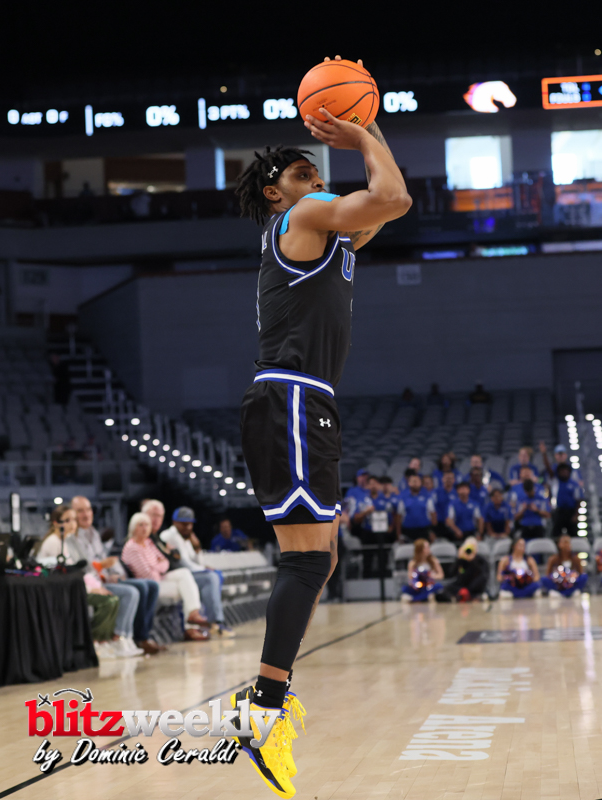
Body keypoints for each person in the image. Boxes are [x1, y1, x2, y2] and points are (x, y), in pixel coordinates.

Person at [234, 52, 412, 797]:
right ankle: (262, 707)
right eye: (303, 172)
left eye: (317, 170)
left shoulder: (330, 233)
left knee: (317, 560)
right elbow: (394, 196)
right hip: (293, 400)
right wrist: (362, 131)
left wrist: (367, 126)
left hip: (299, 403)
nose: (317, 178)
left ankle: (268, 695)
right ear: (275, 192)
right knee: (309, 563)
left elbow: (385, 205)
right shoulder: (301, 216)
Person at [72, 495, 161, 655]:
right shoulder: (74, 538)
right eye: (80, 511)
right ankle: (120, 636)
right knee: (133, 591)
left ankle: (139, 635)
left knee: (150, 585)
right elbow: (86, 568)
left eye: (88, 510)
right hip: (95, 583)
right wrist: (103, 571)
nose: (86, 514)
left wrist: (116, 574)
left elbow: (107, 560)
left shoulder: (94, 533)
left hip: (107, 578)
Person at [37, 505, 121, 659]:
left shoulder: (66, 541)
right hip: (61, 592)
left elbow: (78, 571)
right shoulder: (53, 543)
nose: (73, 524)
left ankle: (103, 640)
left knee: (113, 599)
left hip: (74, 588)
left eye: (74, 520)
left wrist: (95, 587)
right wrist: (91, 589)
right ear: (56, 523)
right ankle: (94, 641)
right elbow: (63, 575)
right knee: (107, 602)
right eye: (67, 520)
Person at [124, 511, 210, 641]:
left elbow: (165, 562)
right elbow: (147, 574)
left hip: (159, 578)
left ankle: (193, 615)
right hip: (150, 585)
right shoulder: (132, 547)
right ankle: (190, 628)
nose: (144, 528)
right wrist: (157, 566)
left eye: (147, 525)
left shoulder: (149, 543)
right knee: (187, 590)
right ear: (133, 527)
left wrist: (155, 566)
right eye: (140, 525)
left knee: (184, 573)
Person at [160, 506, 235, 637]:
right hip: (175, 575)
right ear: (175, 522)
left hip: (187, 575)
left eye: (190, 524)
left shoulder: (186, 537)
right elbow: (183, 563)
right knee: (211, 577)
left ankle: (211, 622)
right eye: (184, 524)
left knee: (215, 575)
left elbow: (196, 562)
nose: (188, 527)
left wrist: (197, 548)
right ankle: (215, 622)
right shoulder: (169, 536)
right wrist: (204, 569)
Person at [352, 475, 396, 577]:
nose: (373, 486)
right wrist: (366, 512)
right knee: (367, 558)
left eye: (375, 483)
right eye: (370, 484)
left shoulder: (385, 499)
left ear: (379, 485)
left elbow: (394, 514)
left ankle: (384, 578)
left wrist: (391, 527)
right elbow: (356, 518)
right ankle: (367, 579)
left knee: (383, 558)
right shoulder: (363, 500)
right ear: (367, 486)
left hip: (383, 532)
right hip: (368, 531)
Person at [438, 537, 489, 602]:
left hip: (474, 587)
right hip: (461, 585)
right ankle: (456, 598)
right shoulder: (461, 559)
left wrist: (472, 560)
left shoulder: (481, 560)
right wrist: (459, 558)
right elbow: (452, 573)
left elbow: (483, 576)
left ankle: (470, 596)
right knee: (445, 589)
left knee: (479, 582)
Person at [396, 473, 437, 542]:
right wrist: (398, 534)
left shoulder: (427, 497)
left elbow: (433, 515)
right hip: (408, 531)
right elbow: (398, 517)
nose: (415, 483)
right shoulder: (403, 498)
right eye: (413, 481)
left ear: (421, 483)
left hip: (424, 530)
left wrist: (433, 531)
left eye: (417, 481)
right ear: (409, 483)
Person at [551, 463, 584, 539]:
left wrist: (576, 515)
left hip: (571, 512)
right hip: (559, 511)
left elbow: (579, 500)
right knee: (556, 534)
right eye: (561, 471)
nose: (563, 473)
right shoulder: (556, 483)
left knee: (574, 534)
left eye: (565, 471)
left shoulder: (574, 484)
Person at [432, 471, 458, 540]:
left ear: (454, 480)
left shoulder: (457, 493)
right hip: (439, 524)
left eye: (450, 478)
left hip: (454, 524)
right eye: (447, 478)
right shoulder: (436, 492)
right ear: (442, 479)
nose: (448, 480)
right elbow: (432, 509)